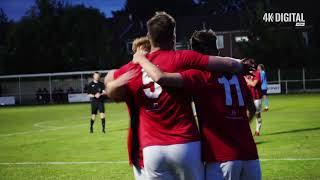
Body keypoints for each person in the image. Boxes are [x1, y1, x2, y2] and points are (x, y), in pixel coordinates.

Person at [105, 12, 253, 180]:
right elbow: (224, 63)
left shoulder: (134, 66)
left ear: (149, 36)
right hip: (185, 142)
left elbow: (109, 81)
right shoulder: (183, 58)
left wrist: (130, 66)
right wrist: (240, 66)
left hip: (151, 147)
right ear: (173, 36)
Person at [132, 29, 261, 180]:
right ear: (217, 49)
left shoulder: (200, 75)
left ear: (198, 53)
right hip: (250, 155)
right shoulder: (238, 75)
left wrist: (141, 58)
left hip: (221, 157)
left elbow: (162, 78)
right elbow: (251, 108)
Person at [245, 61, 263, 136]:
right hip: (248, 97)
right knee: (247, 114)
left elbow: (254, 84)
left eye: (249, 64)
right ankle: (247, 131)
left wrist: (246, 80)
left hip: (256, 97)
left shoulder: (257, 73)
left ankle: (257, 130)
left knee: (257, 114)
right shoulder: (245, 73)